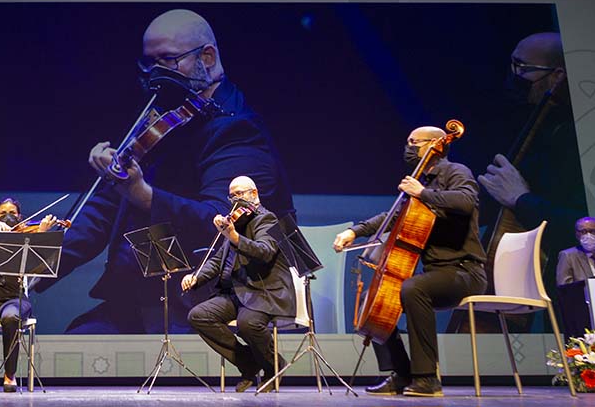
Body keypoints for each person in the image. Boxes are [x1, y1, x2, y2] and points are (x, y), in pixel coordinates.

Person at [34, 8, 294, 334]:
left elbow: (223, 224)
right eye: (148, 63)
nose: (155, 74)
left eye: (168, 61)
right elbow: (100, 213)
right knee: (78, 339)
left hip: (211, 298)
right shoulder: (168, 117)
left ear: (208, 57)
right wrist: (27, 269)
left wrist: (144, 195)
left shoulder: (238, 131)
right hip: (144, 297)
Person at [332, 126, 487, 398]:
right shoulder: (420, 180)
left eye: (414, 142)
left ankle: (427, 378)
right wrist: (354, 231)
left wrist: (422, 193)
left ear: (435, 145)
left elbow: (466, 201)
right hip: (435, 273)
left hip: (465, 271)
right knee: (378, 299)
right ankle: (402, 373)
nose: (408, 147)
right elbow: (392, 217)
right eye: (407, 142)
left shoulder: (455, 172)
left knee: (413, 288)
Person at [471, 32, 588, 331]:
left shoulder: (579, 136)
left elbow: (579, 222)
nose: (515, 76)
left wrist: (521, 200)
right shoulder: (535, 122)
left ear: (558, 76)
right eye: (512, 65)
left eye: (523, 68)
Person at [182, 176, 296, 392]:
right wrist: (197, 276)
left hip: (263, 292)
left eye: (240, 194)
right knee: (199, 316)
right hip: (237, 293)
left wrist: (234, 236)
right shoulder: (235, 222)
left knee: (248, 324)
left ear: (254, 194)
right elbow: (218, 260)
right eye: (232, 196)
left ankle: (273, 367)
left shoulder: (267, 219)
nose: (235, 200)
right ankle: (248, 363)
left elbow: (265, 251)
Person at [0, 198, 57, 392]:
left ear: (20, 217)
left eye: (13, 213)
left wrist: (41, 233)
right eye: (2, 214)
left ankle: (10, 375)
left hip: (15, 299)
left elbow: (38, 267)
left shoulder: (26, 239)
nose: (8, 217)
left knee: (11, 317)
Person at [557, 217, 595, 286]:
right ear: (577, 235)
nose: (588, 235)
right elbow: (565, 288)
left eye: (592, 231)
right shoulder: (568, 256)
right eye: (583, 232)